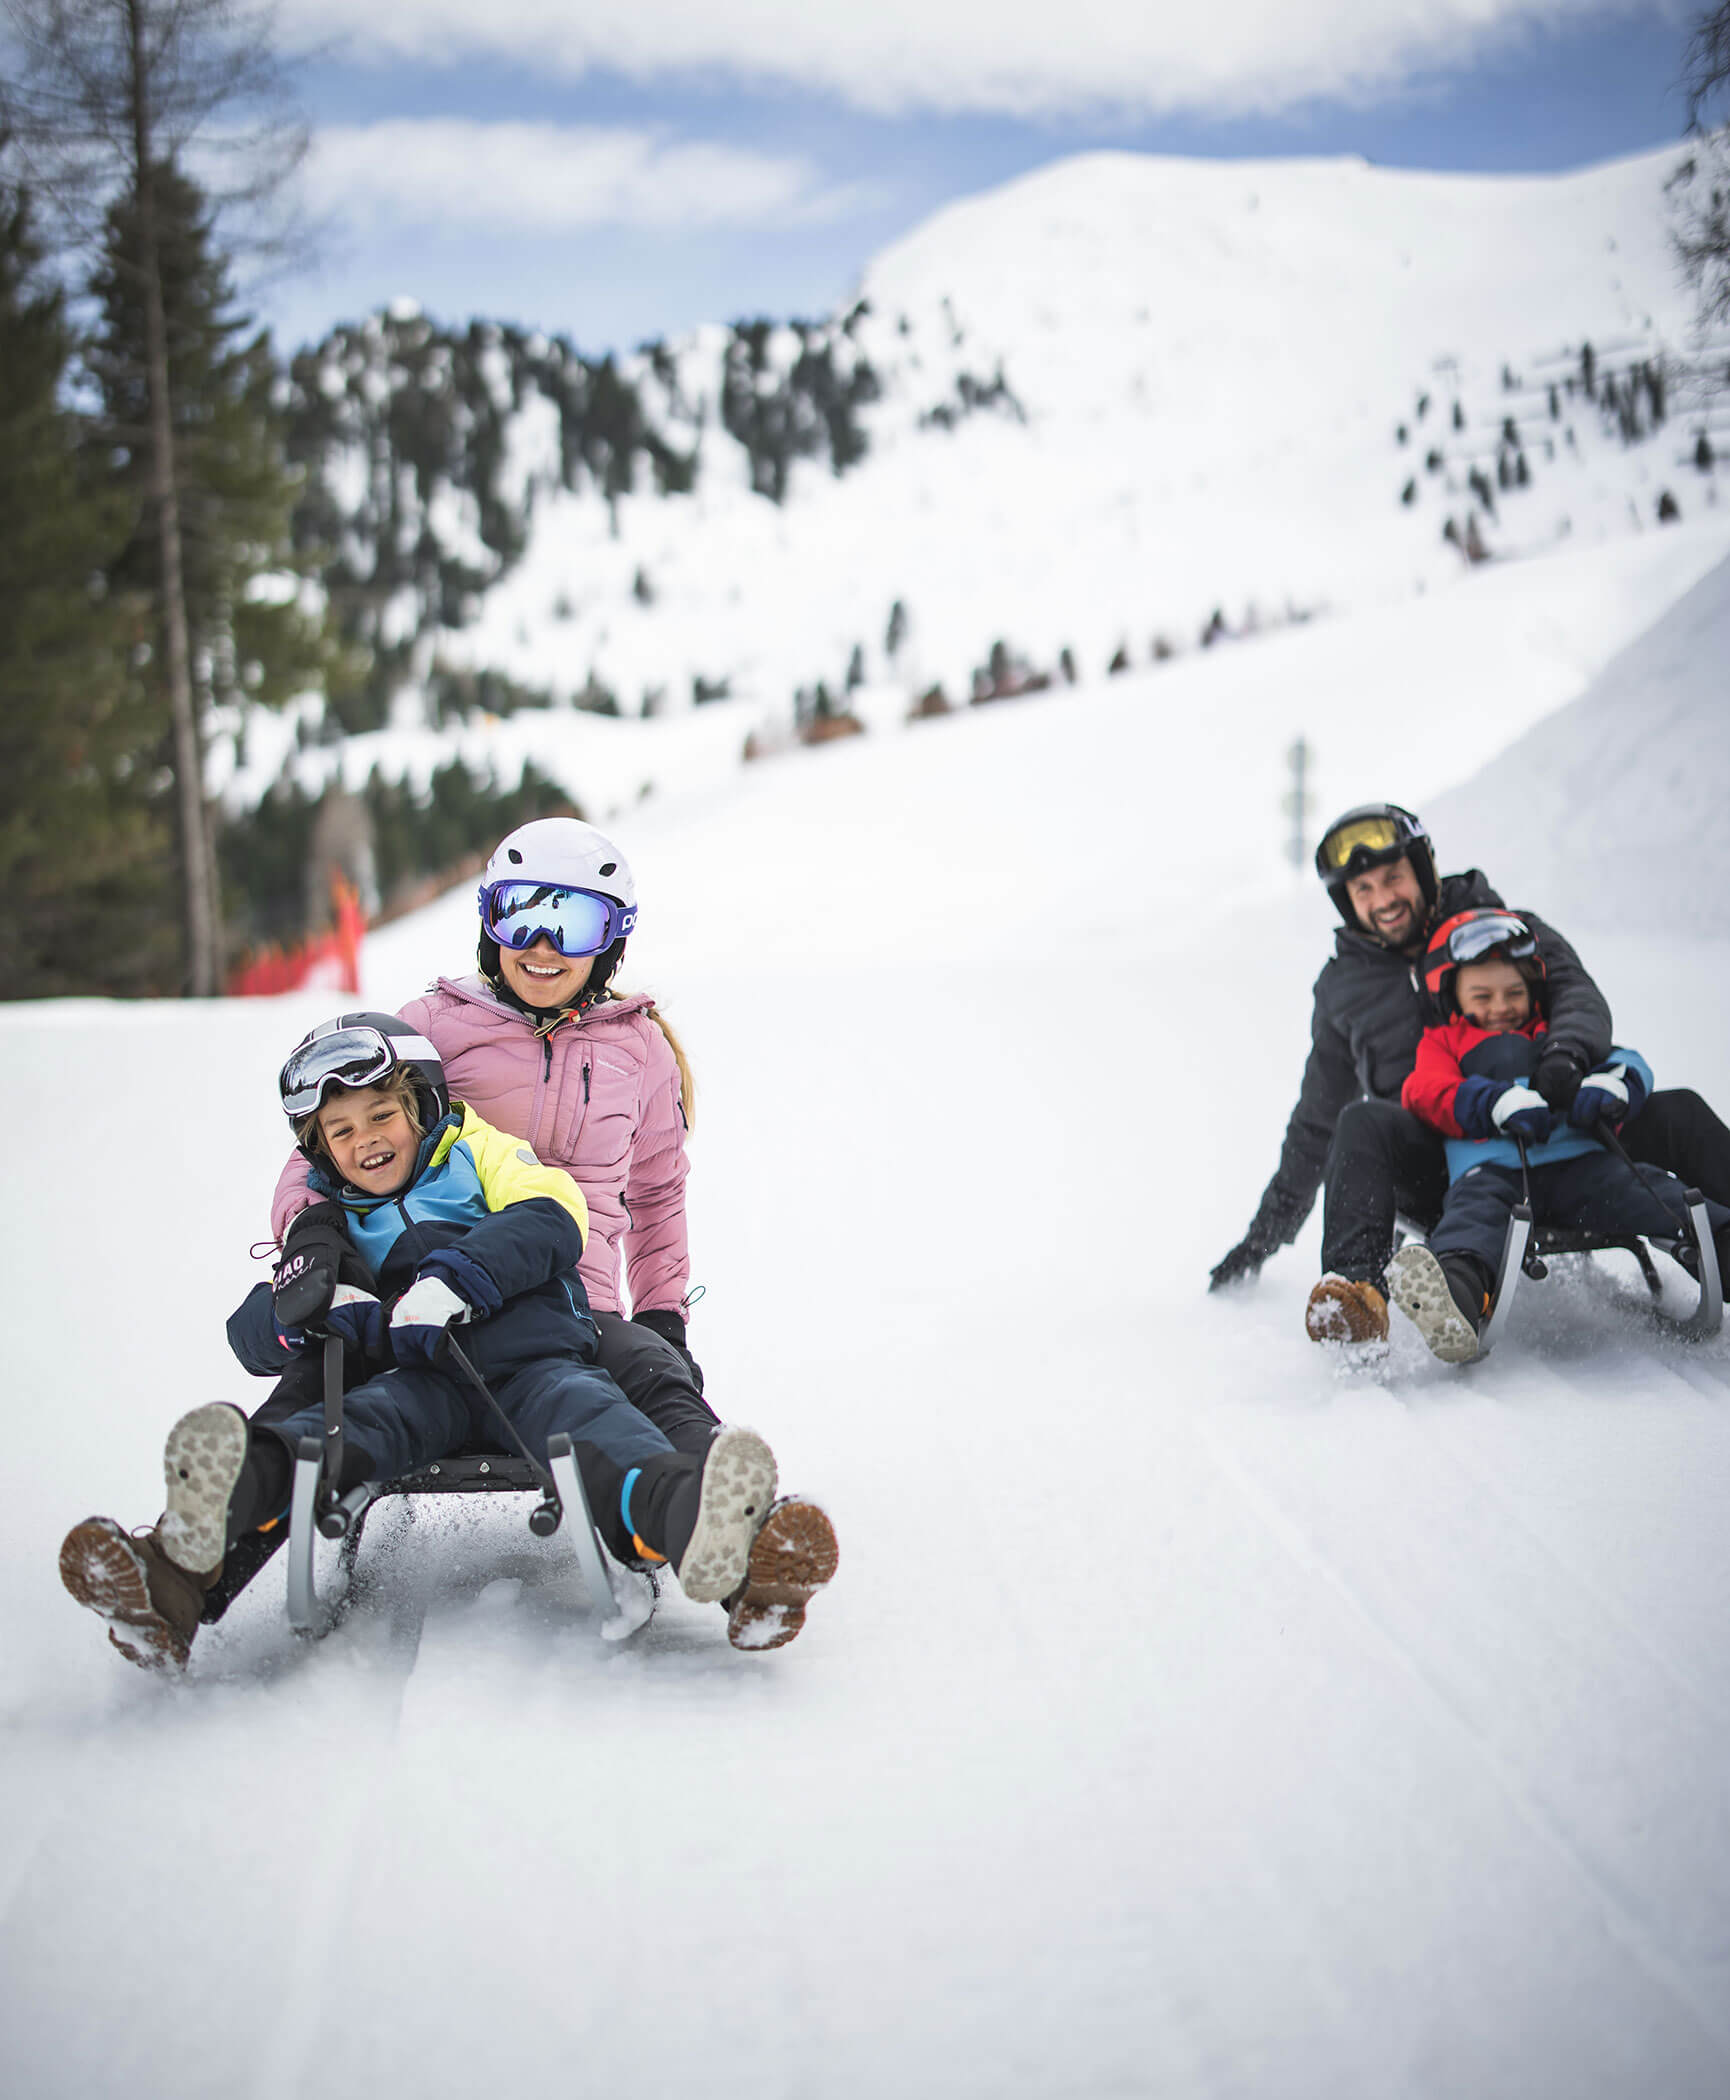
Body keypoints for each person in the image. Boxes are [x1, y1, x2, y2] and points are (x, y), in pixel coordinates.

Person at [60, 1017, 792, 1670]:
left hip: (531, 1363)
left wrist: (460, 1275)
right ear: (321, 1150)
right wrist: (304, 1304)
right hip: (417, 1382)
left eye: (382, 1114)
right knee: (336, 1431)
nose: (367, 1139)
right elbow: (252, 1336)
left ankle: (689, 1523)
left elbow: (553, 1215)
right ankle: (205, 1525)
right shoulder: (335, 1222)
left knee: (600, 1426)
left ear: (423, 1107)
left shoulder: (478, 1155)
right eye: (341, 1132)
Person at [271, 816, 836, 1645]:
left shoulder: (640, 1053)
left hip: (578, 1309)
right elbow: (319, 1151)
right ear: (487, 922)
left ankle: (740, 1542)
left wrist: (665, 1314)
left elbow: (657, 1195)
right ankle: (243, 1514)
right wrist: (311, 1240)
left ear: (611, 942)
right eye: (519, 914)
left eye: (572, 923)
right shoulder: (431, 1025)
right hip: (429, 1303)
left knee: (653, 1374)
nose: (542, 943)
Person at [1208, 802, 1730, 1343]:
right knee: (1360, 1122)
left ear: (1423, 870)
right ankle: (1357, 1297)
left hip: (1563, 1119)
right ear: (1346, 901)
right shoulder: (1345, 990)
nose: (1383, 899)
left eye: (1393, 878)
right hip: (1450, 1164)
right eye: (1363, 890)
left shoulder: (1508, 929)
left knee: (1678, 1110)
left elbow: (1578, 996)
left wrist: (1567, 1058)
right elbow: (1316, 1119)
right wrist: (1264, 1235)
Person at [1386, 909, 1730, 1361]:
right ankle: (1458, 1296)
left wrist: (1611, 1087)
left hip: (1581, 1164)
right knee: (1471, 1223)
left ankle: (1718, 1242)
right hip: (1491, 1171)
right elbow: (1425, 1091)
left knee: (1649, 1189)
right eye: (1482, 995)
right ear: (1455, 996)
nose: (1499, 1006)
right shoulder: (1444, 1042)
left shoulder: (1552, 1035)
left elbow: (1626, 1061)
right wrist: (1491, 1103)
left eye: (1514, 992)